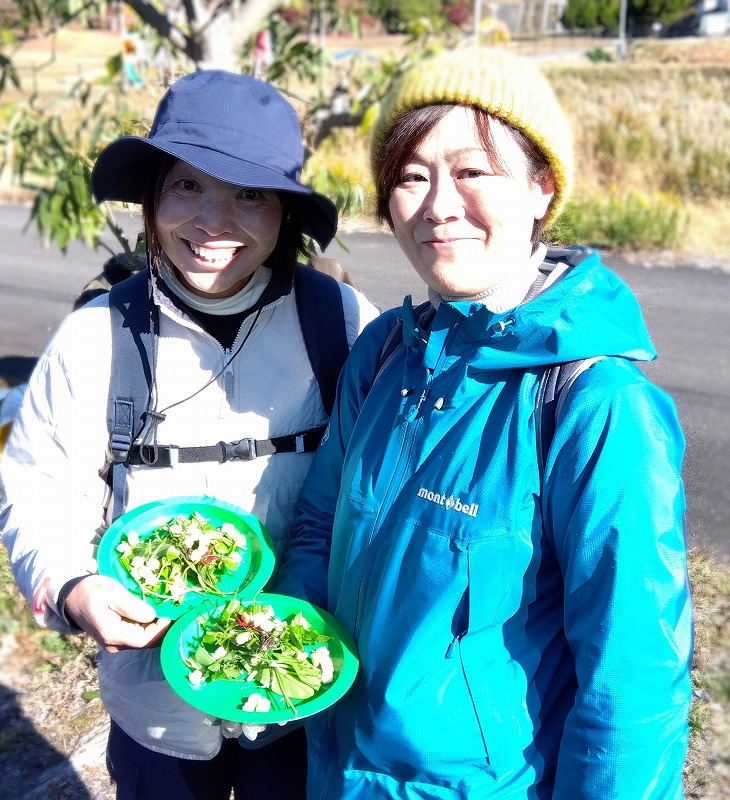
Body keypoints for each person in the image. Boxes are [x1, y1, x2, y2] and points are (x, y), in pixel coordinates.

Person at [276, 48, 693, 799]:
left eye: (473, 171)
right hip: (336, 770)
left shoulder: (594, 404)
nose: (438, 205)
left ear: (541, 188)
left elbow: (632, 690)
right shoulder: (384, 353)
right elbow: (317, 525)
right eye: (410, 176)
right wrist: (283, 661)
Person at [0, 70, 377, 800]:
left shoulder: (342, 323)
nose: (214, 222)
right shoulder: (97, 337)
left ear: (286, 213)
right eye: (187, 187)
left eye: (249, 195)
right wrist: (74, 588)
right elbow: (40, 487)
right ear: (152, 199)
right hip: (155, 712)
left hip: (302, 699)